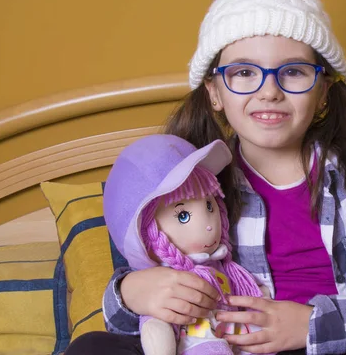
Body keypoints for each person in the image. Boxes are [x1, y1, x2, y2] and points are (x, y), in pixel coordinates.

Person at [66, 0, 346, 354]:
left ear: (322, 92)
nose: (269, 91)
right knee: (93, 347)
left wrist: (312, 328)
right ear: (214, 92)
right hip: (223, 347)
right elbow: (132, 308)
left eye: (294, 71)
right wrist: (132, 291)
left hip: (340, 347)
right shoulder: (191, 183)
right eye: (245, 73)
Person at [102, 135, 274, 355]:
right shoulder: (157, 280)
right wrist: (127, 292)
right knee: (89, 345)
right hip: (197, 338)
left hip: (243, 333)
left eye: (210, 206)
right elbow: (143, 323)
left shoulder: (225, 264)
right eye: (183, 215)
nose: (209, 226)